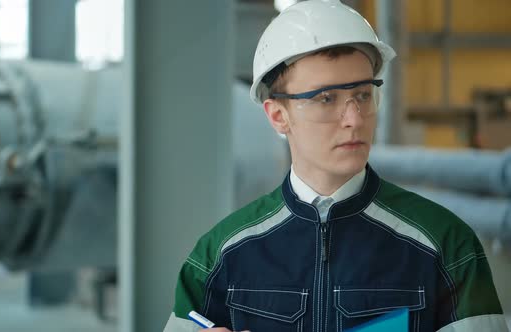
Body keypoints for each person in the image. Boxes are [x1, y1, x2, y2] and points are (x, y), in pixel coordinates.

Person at [163, 1, 507, 331]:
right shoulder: (220, 256)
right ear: (278, 115)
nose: (354, 119)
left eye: (362, 95)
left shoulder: (446, 246)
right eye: (326, 98)